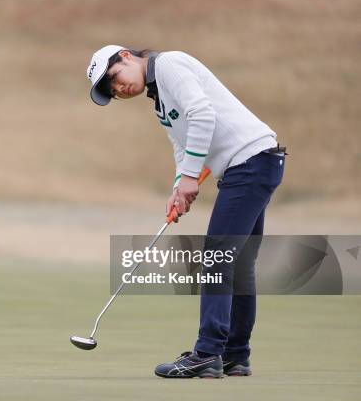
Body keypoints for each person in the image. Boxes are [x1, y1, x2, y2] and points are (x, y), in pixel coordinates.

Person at [86, 45, 286, 378]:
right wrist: (179, 187)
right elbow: (183, 146)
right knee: (236, 262)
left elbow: (202, 114)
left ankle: (208, 353)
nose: (118, 89)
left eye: (114, 79)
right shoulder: (159, 100)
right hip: (253, 165)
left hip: (250, 162)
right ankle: (236, 353)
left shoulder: (169, 65)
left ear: (124, 57)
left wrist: (192, 177)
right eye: (112, 92)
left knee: (217, 257)